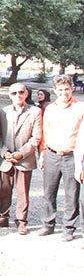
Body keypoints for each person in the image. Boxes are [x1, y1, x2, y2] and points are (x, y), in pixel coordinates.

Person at [0, 84, 42, 234]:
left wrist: (21, 153)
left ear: (26, 94)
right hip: (6, 159)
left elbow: (36, 137)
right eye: (14, 93)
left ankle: (21, 220)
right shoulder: (3, 112)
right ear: (10, 95)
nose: (18, 95)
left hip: (24, 159)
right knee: (5, 189)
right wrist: (4, 152)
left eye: (21, 92)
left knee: (23, 191)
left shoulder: (35, 112)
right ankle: (2, 216)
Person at [38, 74, 84, 241]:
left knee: (71, 194)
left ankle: (69, 228)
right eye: (60, 90)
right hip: (52, 154)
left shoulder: (81, 108)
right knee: (49, 192)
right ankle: (48, 224)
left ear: (72, 89)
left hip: (72, 157)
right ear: (55, 90)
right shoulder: (50, 109)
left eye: (67, 89)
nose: (64, 92)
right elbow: (45, 132)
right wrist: (42, 154)